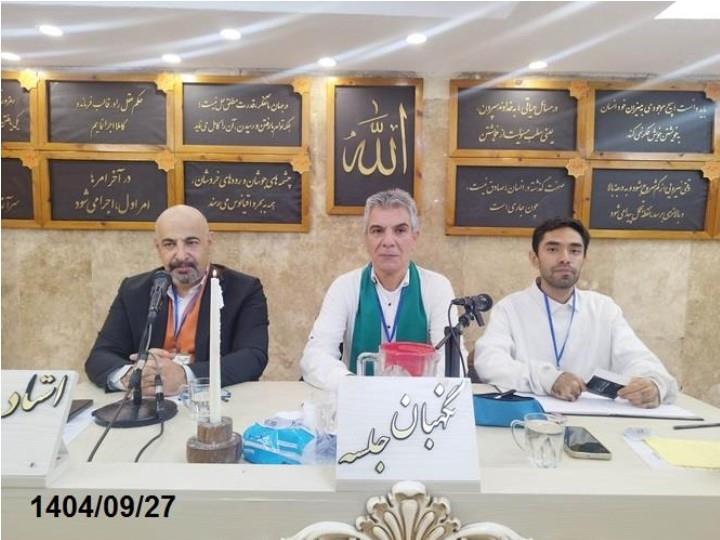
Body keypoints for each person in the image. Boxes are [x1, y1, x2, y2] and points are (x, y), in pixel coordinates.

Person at [474, 217, 678, 408]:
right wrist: (548, 379)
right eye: (553, 249)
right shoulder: (510, 308)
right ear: (534, 259)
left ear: (584, 259)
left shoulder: (603, 309)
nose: (565, 258)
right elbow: (489, 362)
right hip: (527, 418)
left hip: (597, 423)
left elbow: (637, 358)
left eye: (574, 251)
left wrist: (652, 385)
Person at [85, 205, 268, 395]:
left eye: (191, 242)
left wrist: (185, 375)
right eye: (169, 244)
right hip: (150, 404)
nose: (181, 256)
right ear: (158, 247)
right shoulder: (133, 290)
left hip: (211, 402)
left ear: (209, 242)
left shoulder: (243, 289)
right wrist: (133, 376)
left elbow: (253, 357)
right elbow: (99, 357)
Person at [300, 189, 464, 391]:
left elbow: (451, 362)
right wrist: (354, 384)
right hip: (359, 399)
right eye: (377, 231)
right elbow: (316, 355)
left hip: (418, 403)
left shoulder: (437, 287)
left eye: (400, 230)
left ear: (415, 237)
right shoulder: (344, 287)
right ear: (366, 238)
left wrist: (418, 392)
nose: (388, 241)